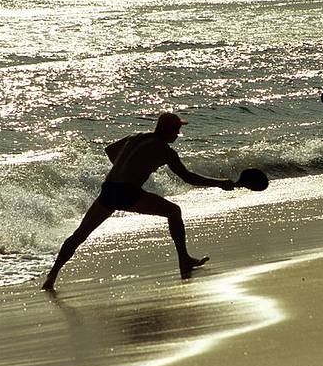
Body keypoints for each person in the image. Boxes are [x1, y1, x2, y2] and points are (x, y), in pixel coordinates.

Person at [42, 112, 235, 291]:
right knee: (174, 211)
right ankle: (183, 260)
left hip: (108, 189)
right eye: (176, 130)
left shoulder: (136, 137)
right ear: (168, 131)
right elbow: (189, 177)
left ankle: (52, 276)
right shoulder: (165, 151)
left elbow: (110, 150)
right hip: (127, 193)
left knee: (80, 234)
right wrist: (220, 184)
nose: (178, 134)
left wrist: (129, 168)